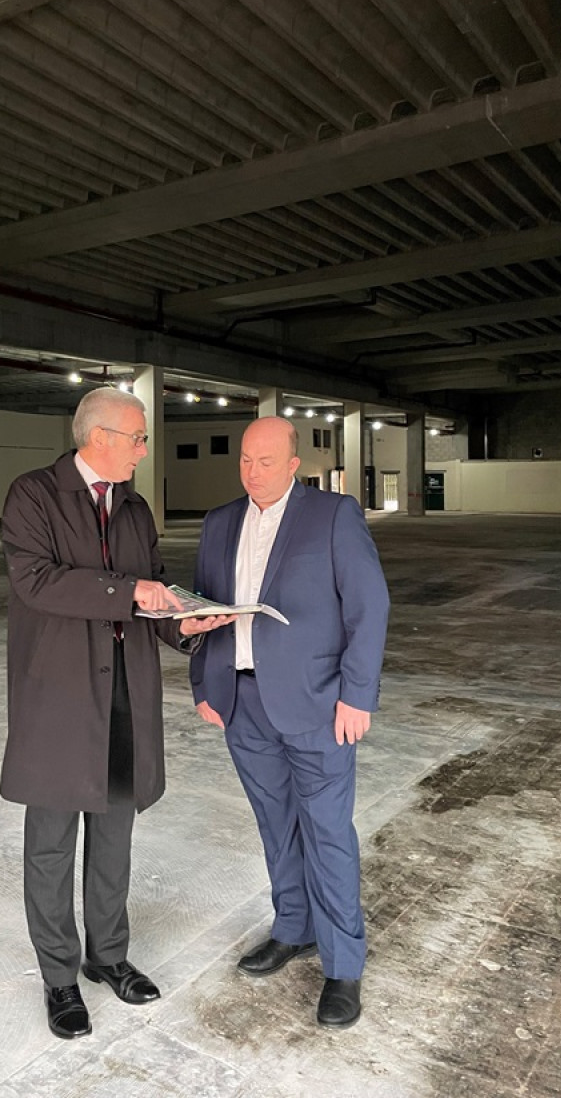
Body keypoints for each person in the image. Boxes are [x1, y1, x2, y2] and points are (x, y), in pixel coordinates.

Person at [0, 386, 229, 1040]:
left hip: (126, 689)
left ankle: (109, 956)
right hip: (60, 693)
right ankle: (59, 977)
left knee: (115, 836)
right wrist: (132, 591)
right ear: (99, 436)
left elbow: (152, 592)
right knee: (50, 844)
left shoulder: (133, 507)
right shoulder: (33, 495)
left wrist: (187, 624)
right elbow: (38, 581)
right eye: (137, 437)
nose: (144, 448)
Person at [190, 416, 389, 1029]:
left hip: (319, 705)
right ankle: (294, 927)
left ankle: (343, 966)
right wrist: (204, 682)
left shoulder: (332, 516)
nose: (253, 472)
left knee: (327, 833)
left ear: (294, 463)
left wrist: (358, 695)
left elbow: (368, 605)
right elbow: (202, 609)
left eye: (266, 462)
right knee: (276, 826)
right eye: (246, 460)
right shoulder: (221, 522)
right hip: (243, 705)